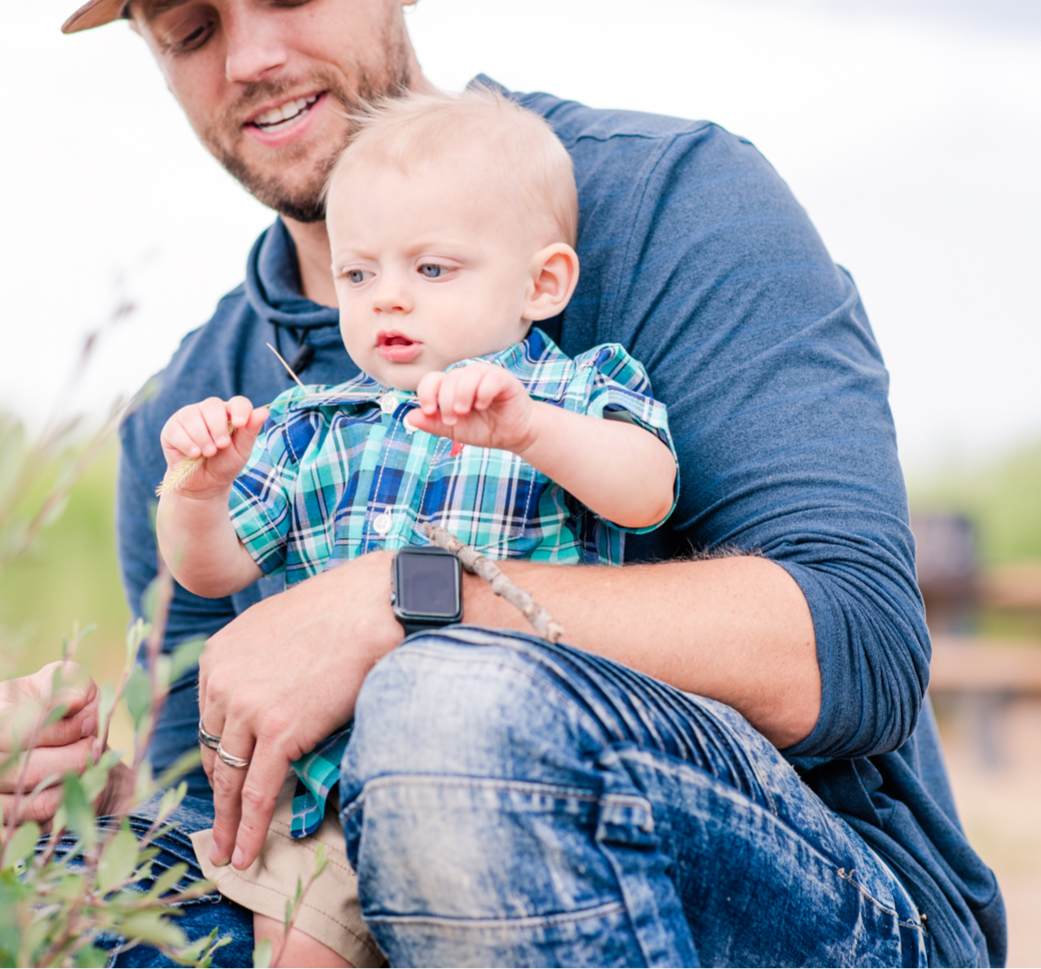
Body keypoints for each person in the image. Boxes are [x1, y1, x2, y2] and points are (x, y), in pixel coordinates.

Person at [0, 0, 1007, 966]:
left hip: (820, 901)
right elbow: (217, 799)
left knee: (447, 708)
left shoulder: (673, 200)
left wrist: (405, 600)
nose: (252, 56)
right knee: (9, 920)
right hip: (339, 890)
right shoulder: (192, 411)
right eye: (189, 29)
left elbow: (857, 650)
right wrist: (88, 795)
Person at [156, 88, 679, 966]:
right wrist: (199, 494)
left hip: (510, 774)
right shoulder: (309, 426)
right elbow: (212, 573)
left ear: (542, 283)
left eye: (431, 270)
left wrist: (530, 432)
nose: (387, 300)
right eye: (360, 275)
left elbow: (648, 493)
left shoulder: (570, 393)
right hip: (322, 797)